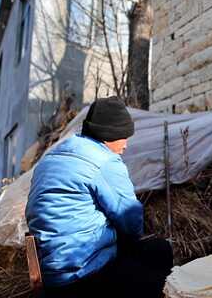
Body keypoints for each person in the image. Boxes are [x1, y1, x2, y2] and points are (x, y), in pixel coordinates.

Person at [26, 96, 173, 297]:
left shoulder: (50, 159)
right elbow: (131, 221)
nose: (126, 145)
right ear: (109, 135)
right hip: (85, 276)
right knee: (159, 251)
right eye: (124, 136)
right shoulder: (104, 162)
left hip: (52, 277)